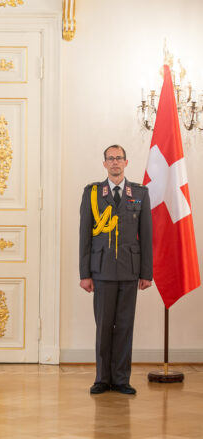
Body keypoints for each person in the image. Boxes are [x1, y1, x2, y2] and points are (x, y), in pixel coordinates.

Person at [79, 144, 152, 395]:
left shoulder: (140, 193)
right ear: (104, 164)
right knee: (104, 326)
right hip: (101, 271)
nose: (115, 162)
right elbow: (84, 236)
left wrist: (146, 272)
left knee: (124, 326)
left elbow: (147, 235)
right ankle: (102, 378)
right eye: (110, 159)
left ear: (126, 162)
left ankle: (121, 379)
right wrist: (85, 274)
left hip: (130, 271)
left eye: (119, 158)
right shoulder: (93, 193)